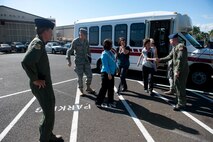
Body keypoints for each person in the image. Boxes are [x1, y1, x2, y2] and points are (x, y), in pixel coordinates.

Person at [21, 18, 64, 142]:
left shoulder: (40, 43)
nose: (51, 33)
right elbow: (26, 62)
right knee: (49, 111)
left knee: (48, 110)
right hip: (41, 85)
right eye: (51, 30)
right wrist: (35, 80)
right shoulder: (38, 44)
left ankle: (46, 133)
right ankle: (45, 138)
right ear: (45, 31)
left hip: (43, 84)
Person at [156, 33, 189, 111]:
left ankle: (181, 104)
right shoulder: (174, 48)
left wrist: (178, 71)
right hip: (177, 70)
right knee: (177, 86)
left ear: (174, 40)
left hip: (181, 70)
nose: (169, 41)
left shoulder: (181, 47)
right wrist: (159, 59)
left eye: (170, 40)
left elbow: (180, 60)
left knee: (180, 87)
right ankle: (178, 100)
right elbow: (169, 57)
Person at [66, 28, 95, 95]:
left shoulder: (86, 41)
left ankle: (88, 87)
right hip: (78, 62)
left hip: (86, 61)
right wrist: (69, 60)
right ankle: (81, 89)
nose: (86, 36)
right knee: (80, 77)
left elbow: (88, 50)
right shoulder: (75, 41)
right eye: (84, 34)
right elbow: (69, 51)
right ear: (81, 34)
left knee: (90, 75)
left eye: (86, 35)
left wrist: (90, 56)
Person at [96, 39, 117, 108]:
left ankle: (110, 101)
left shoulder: (110, 52)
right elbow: (105, 65)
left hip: (111, 73)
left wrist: (117, 68)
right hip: (106, 73)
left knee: (111, 88)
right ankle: (98, 102)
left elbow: (114, 61)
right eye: (110, 44)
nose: (111, 46)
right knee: (104, 88)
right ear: (107, 45)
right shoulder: (104, 54)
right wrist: (109, 74)